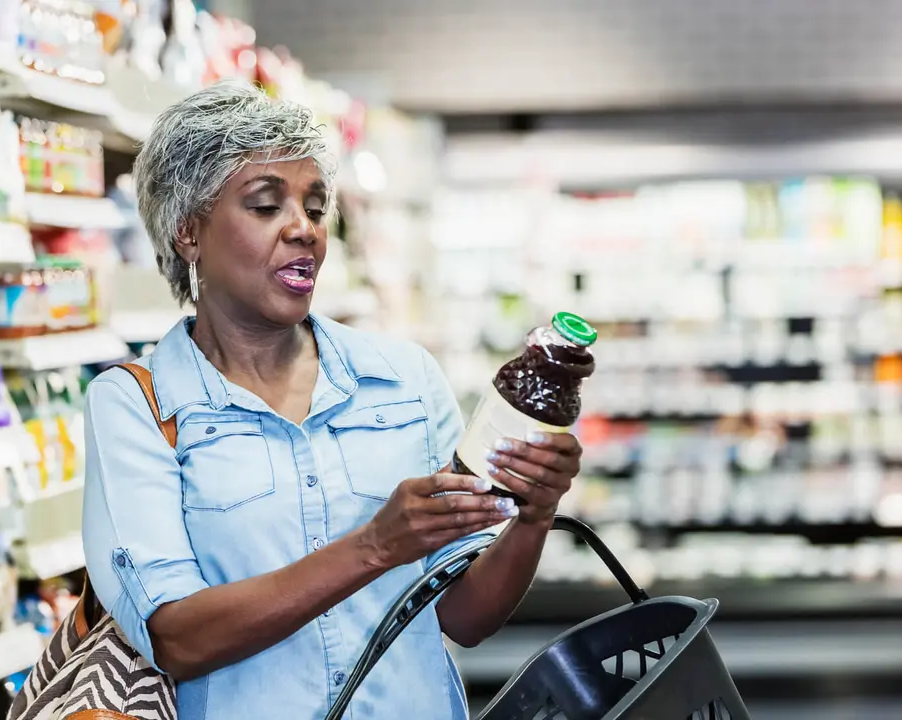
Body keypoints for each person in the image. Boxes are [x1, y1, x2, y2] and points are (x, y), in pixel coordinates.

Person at [81, 81, 583, 720]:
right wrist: (374, 546)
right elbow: (176, 638)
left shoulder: (403, 380)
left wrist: (533, 516)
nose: (304, 230)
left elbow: (464, 617)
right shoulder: (137, 407)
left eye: (316, 208)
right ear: (188, 231)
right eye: (266, 206)